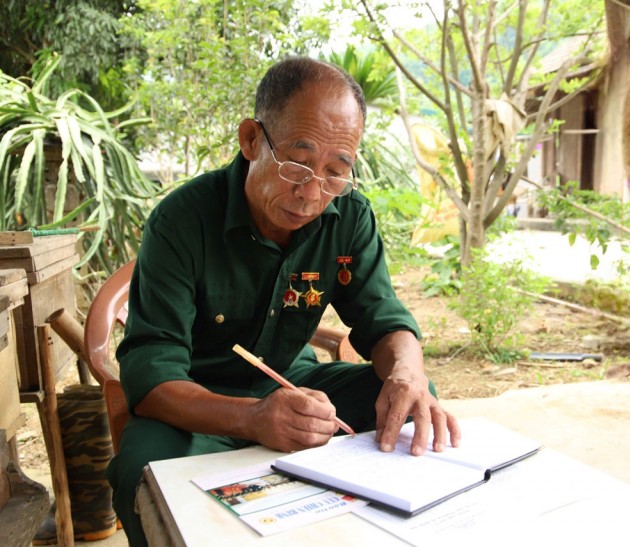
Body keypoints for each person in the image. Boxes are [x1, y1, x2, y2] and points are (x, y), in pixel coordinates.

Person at [107, 57, 460, 546]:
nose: (313, 192)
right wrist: (251, 418)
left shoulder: (348, 217)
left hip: (294, 381)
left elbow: (383, 322)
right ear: (251, 139)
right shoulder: (183, 220)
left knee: (405, 401)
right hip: (197, 402)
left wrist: (409, 372)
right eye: (297, 163)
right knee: (142, 469)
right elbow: (152, 378)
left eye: (336, 171)